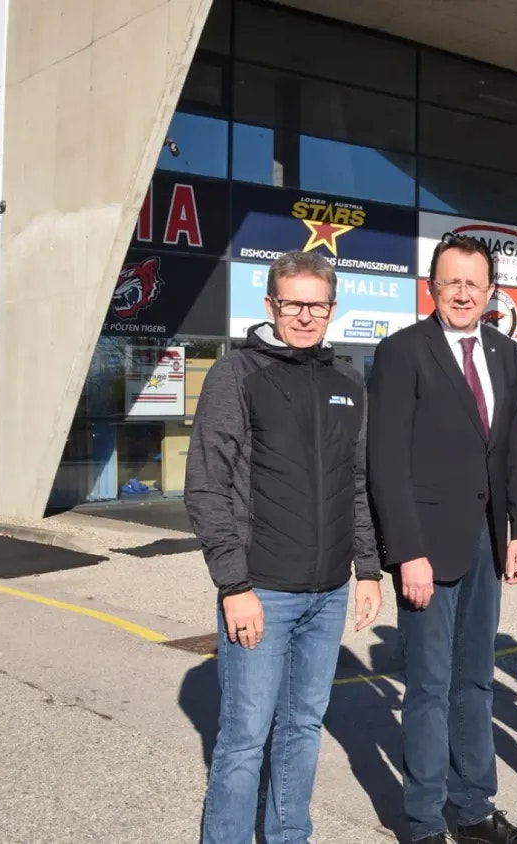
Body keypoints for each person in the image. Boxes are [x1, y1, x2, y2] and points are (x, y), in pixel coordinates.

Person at [185, 250, 384, 844]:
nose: (304, 316)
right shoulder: (237, 375)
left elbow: (356, 482)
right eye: (292, 303)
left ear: (332, 308)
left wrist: (368, 568)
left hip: (327, 593)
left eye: (315, 305)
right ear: (271, 305)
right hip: (262, 590)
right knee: (246, 735)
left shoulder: (348, 380)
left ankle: (288, 836)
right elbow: (206, 485)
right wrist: (234, 585)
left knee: (302, 728)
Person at [366, 233, 517, 844]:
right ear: (431, 289)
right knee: (430, 686)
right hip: (427, 550)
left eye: (474, 283)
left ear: (491, 291)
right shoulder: (402, 352)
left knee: (477, 680)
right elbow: (385, 462)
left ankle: (472, 810)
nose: (463, 294)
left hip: (487, 545)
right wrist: (405, 550)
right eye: (451, 283)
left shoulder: (502, 351)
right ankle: (421, 821)